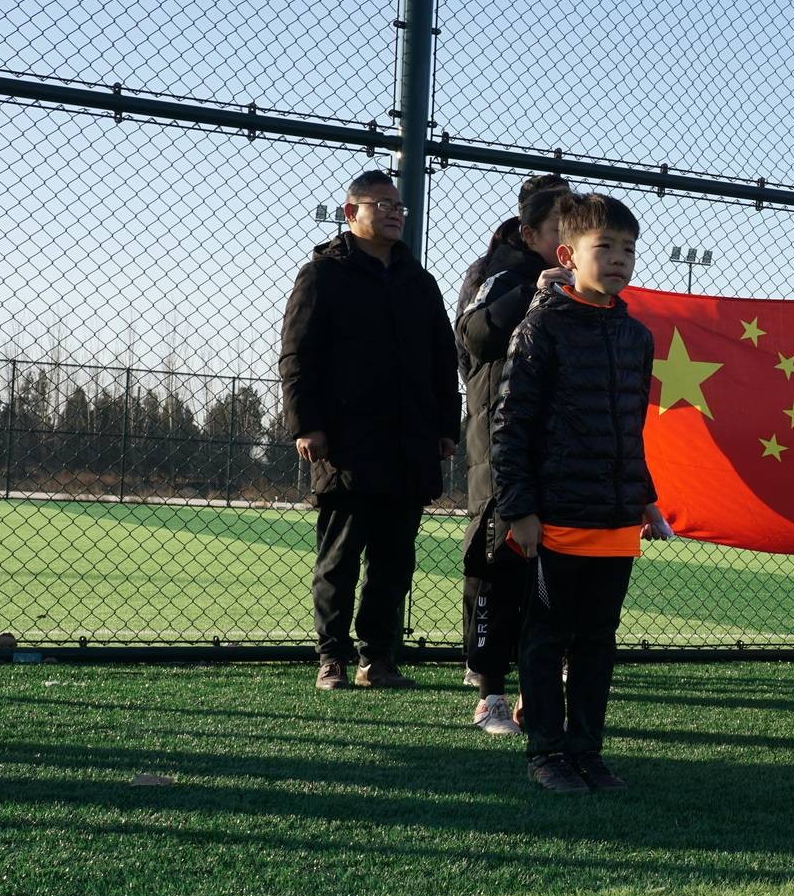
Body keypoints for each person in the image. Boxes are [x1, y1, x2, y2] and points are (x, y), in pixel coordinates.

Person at [492, 192, 666, 792]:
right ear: (568, 254)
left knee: (597, 641)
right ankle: (546, 753)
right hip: (557, 517)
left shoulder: (636, 336)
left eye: (628, 249)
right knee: (546, 638)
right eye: (605, 247)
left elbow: (630, 429)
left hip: (614, 520)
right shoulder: (539, 329)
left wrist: (643, 498)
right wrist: (519, 508)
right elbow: (509, 427)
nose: (619, 259)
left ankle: (588, 751)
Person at [279, 169, 460, 690]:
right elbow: (298, 356)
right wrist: (307, 424)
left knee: (395, 560)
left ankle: (376, 658)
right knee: (338, 557)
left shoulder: (419, 282)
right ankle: (331, 657)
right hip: (347, 443)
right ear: (349, 212)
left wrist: (445, 427)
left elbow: (440, 363)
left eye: (398, 205)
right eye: (380, 204)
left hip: (409, 444)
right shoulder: (322, 276)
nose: (394, 212)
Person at [454, 174, 570, 730]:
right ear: (529, 233)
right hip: (501, 443)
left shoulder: (587, 283)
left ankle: (539, 684)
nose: (568, 244)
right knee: (498, 562)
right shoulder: (498, 273)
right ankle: (488, 686)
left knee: (555, 568)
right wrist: (532, 292)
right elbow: (473, 336)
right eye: (558, 232)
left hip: (559, 451)